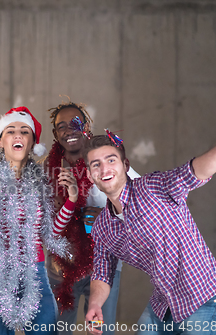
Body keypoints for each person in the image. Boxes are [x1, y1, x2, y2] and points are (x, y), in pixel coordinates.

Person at [84, 126, 216, 334]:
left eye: (111, 160)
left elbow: (193, 173)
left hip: (204, 299)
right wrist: (94, 305)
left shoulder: (152, 188)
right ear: (90, 175)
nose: (104, 169)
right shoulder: (102, 227)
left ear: (125, 165)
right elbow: (102, 272)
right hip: (163, 305)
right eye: (96, 165)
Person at [0, 107, 75, 335]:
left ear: (32, 142)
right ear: (1, 141)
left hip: (35, 273)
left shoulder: (41, 181)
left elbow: (50, 233)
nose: (17, 135)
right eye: (10, 131)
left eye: (24, 131)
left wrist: (71, 200)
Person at [41, 100, 139, 335]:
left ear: (86, 125)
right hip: (61, 267)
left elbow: (139, 199)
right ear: (55, 134)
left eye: (75, 123)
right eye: (61, 126)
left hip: (104, 266)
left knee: (102, 330)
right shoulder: (47, 169)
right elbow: (44, 226)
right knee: (59, 331)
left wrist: (108, 215)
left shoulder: (106, 157)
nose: (69, 130)